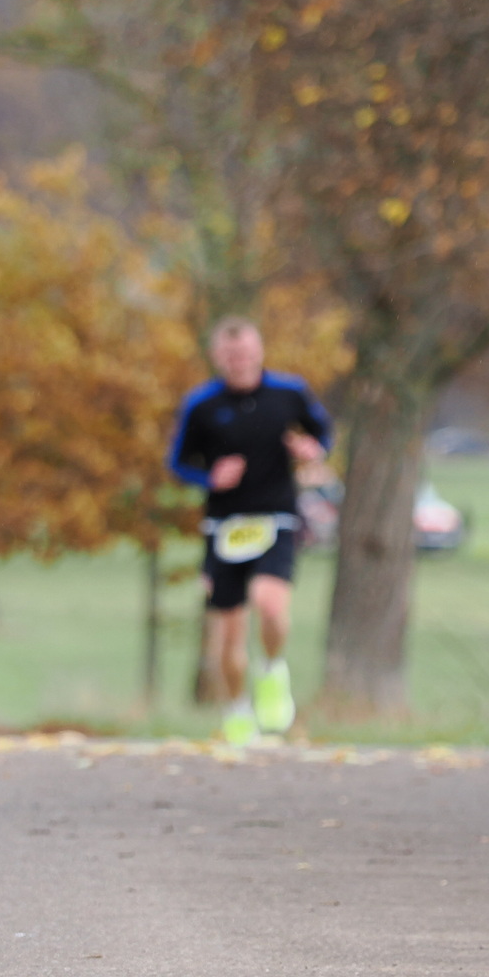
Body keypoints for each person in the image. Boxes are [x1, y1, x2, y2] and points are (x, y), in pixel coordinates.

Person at [168, 319, 335, 744]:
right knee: (229, 635)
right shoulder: (201, 405)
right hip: (224, 526)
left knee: (270, 603)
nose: (238, 362)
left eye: (244, 353)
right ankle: (237, 709)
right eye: (230, 355)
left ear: (259, 352)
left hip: (275, 516)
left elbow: (322, 434)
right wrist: (210, 478)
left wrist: (312, 450)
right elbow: (178, 463)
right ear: (217, 357)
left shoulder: (289, 393)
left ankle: (273, 670)